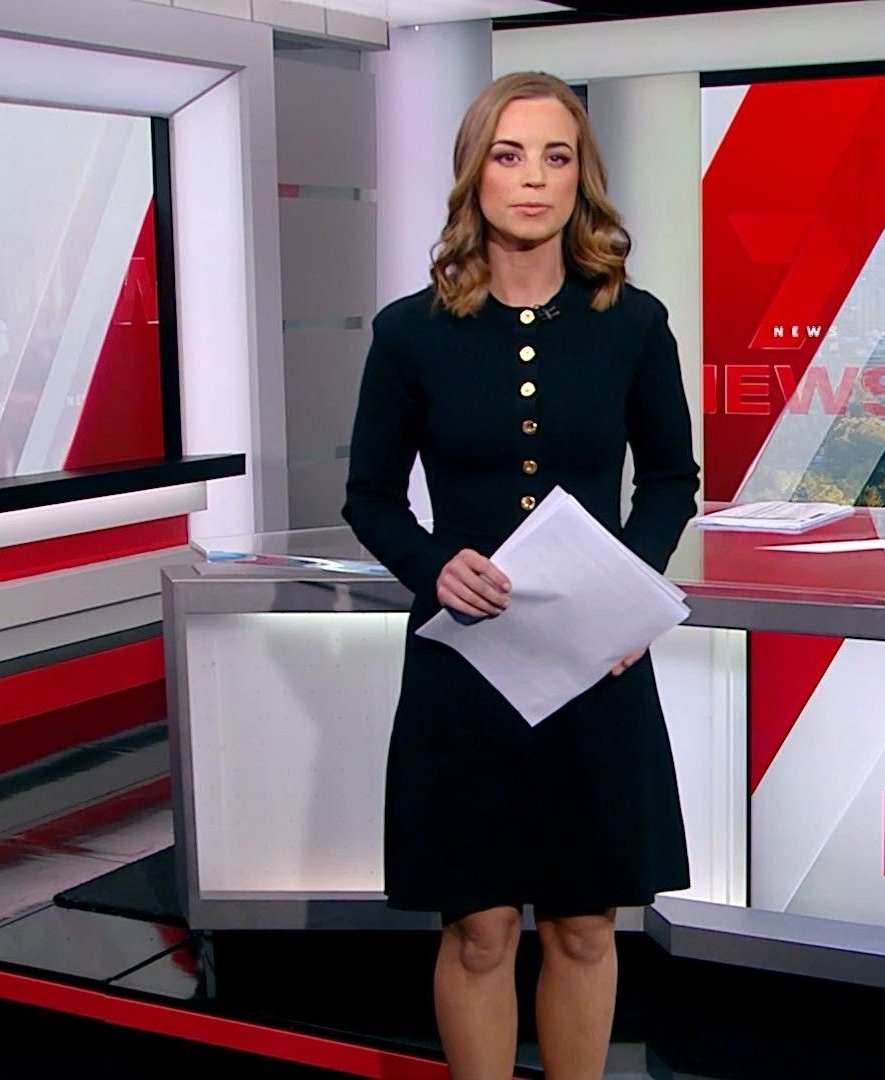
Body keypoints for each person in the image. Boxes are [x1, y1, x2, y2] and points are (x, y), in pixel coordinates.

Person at [340, 71, 699, 1080]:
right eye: (509, 155)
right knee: (481, 931)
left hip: (596, 665)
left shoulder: (633, 323)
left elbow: (671, 480)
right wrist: (431, 565)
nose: (533, 178)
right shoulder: (409, 333)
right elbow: (370, 497)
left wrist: (628, 599)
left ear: (582, 177)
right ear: (475, 173)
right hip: (465, 667)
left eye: (555, 155)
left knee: (585, 927)